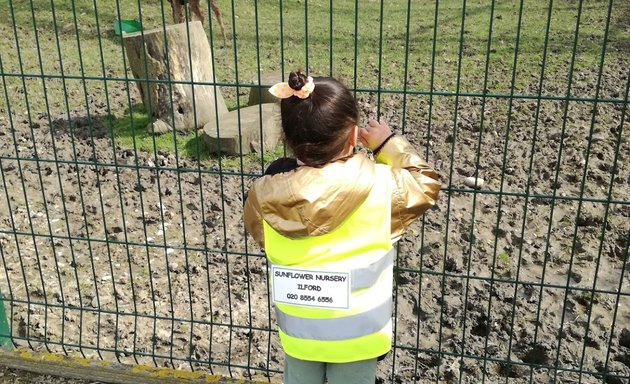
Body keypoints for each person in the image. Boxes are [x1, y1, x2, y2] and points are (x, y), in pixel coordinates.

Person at [243, 71, 441, 384]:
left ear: (288, 138)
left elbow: (262, 234)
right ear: (353, 135)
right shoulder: (381, 187)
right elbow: (426, 183)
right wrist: (387, 145)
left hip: (300, 333)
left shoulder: (264, 196)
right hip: (358, 335)